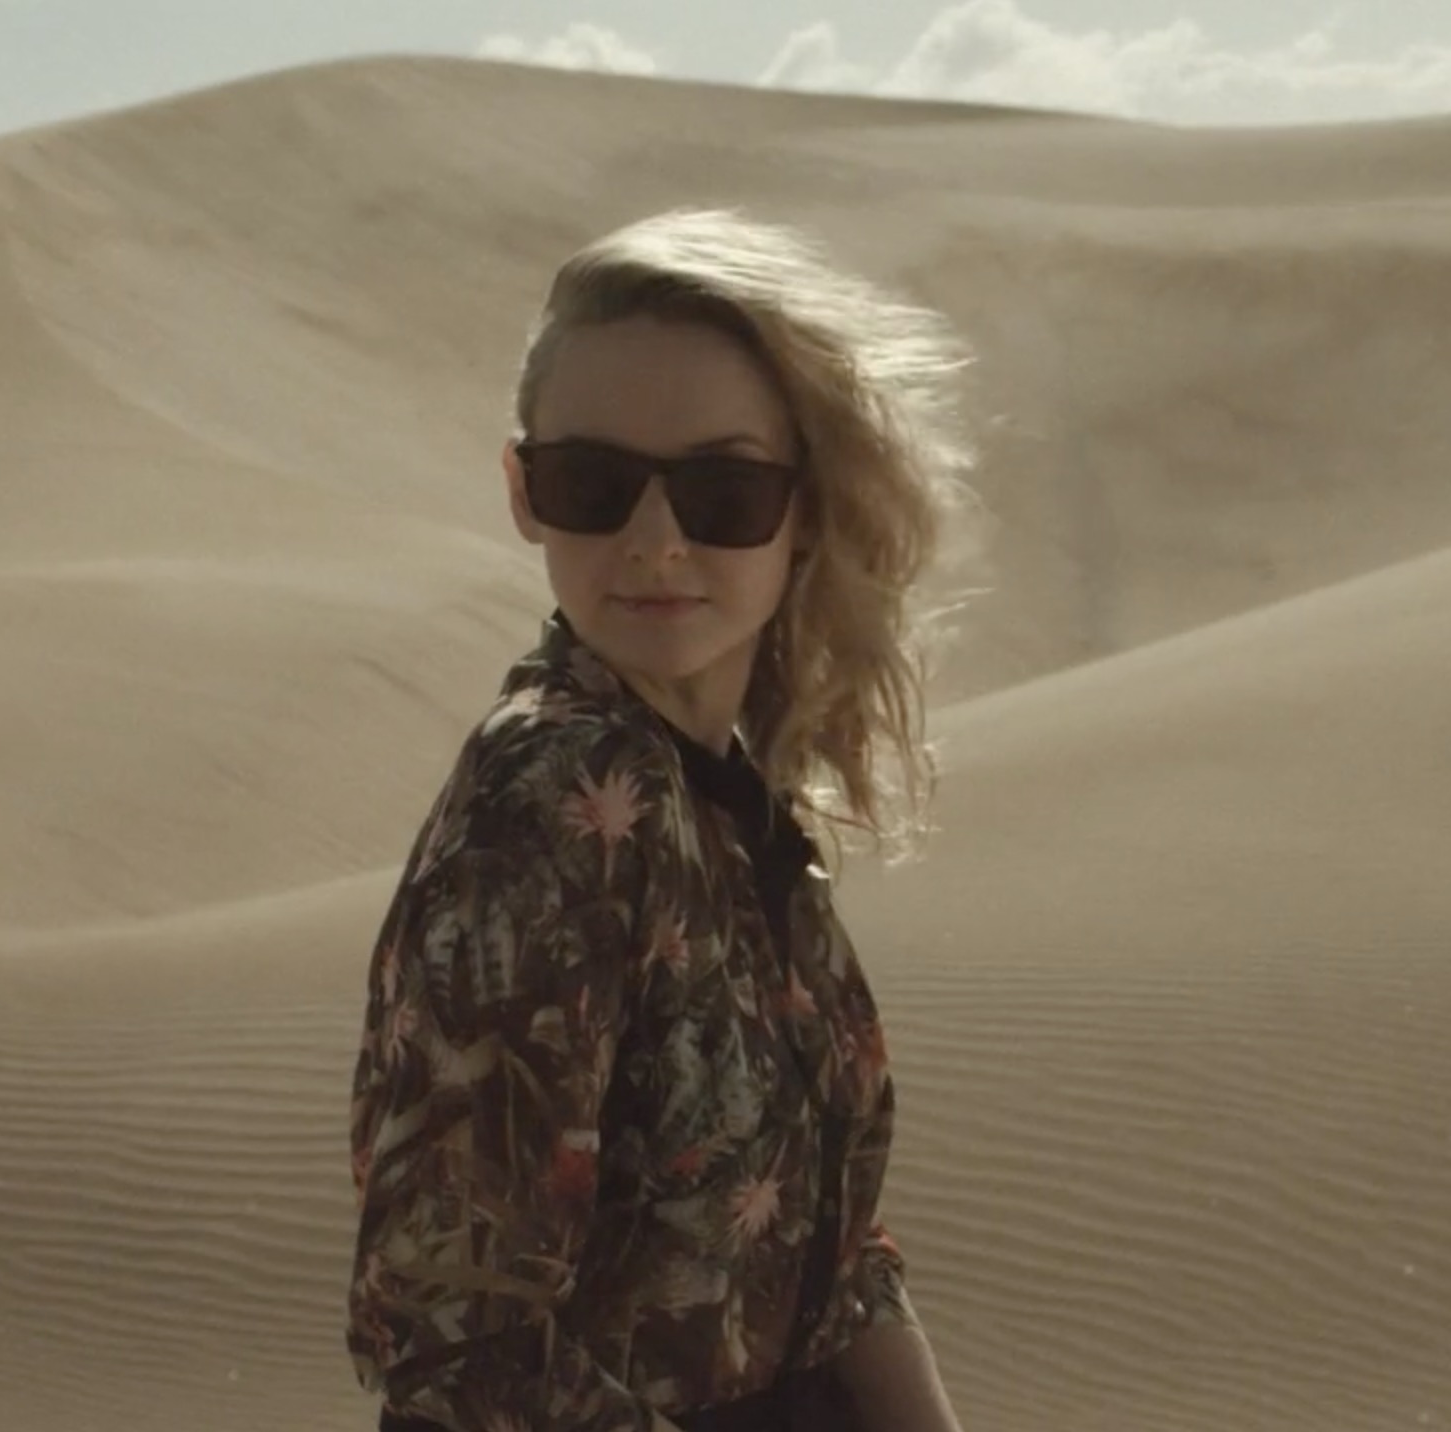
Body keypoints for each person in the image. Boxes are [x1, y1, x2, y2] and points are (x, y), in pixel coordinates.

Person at [345, 206, 982, 1432]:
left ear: (805, 508)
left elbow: (829, 1259)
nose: (653, 542)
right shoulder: (557, 802)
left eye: (722, 490)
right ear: (523, 491)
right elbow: (463, 1345)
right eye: (592, 483)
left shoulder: (725, 800)